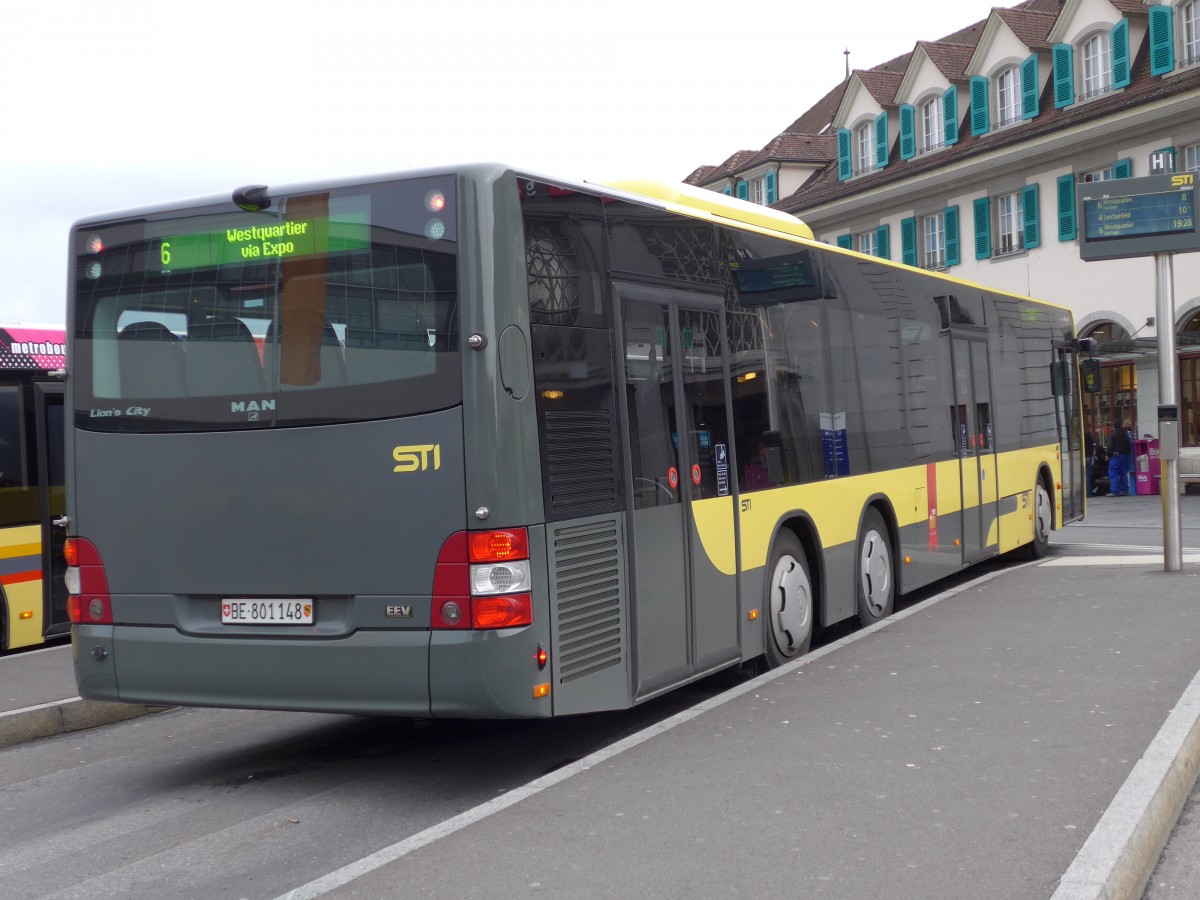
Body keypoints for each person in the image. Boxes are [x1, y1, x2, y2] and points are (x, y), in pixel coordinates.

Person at [1106, 421, 1132, 496]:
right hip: (1125, 455)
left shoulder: (1112, 435)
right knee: (1123, 473)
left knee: (1113, 473)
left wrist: (1108, 455)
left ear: (1114, 427)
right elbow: (1129, 447)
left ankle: (1114, 491)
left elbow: (1110, 447)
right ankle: (1124, 490)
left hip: (1116, 456)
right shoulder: (1126, 435)